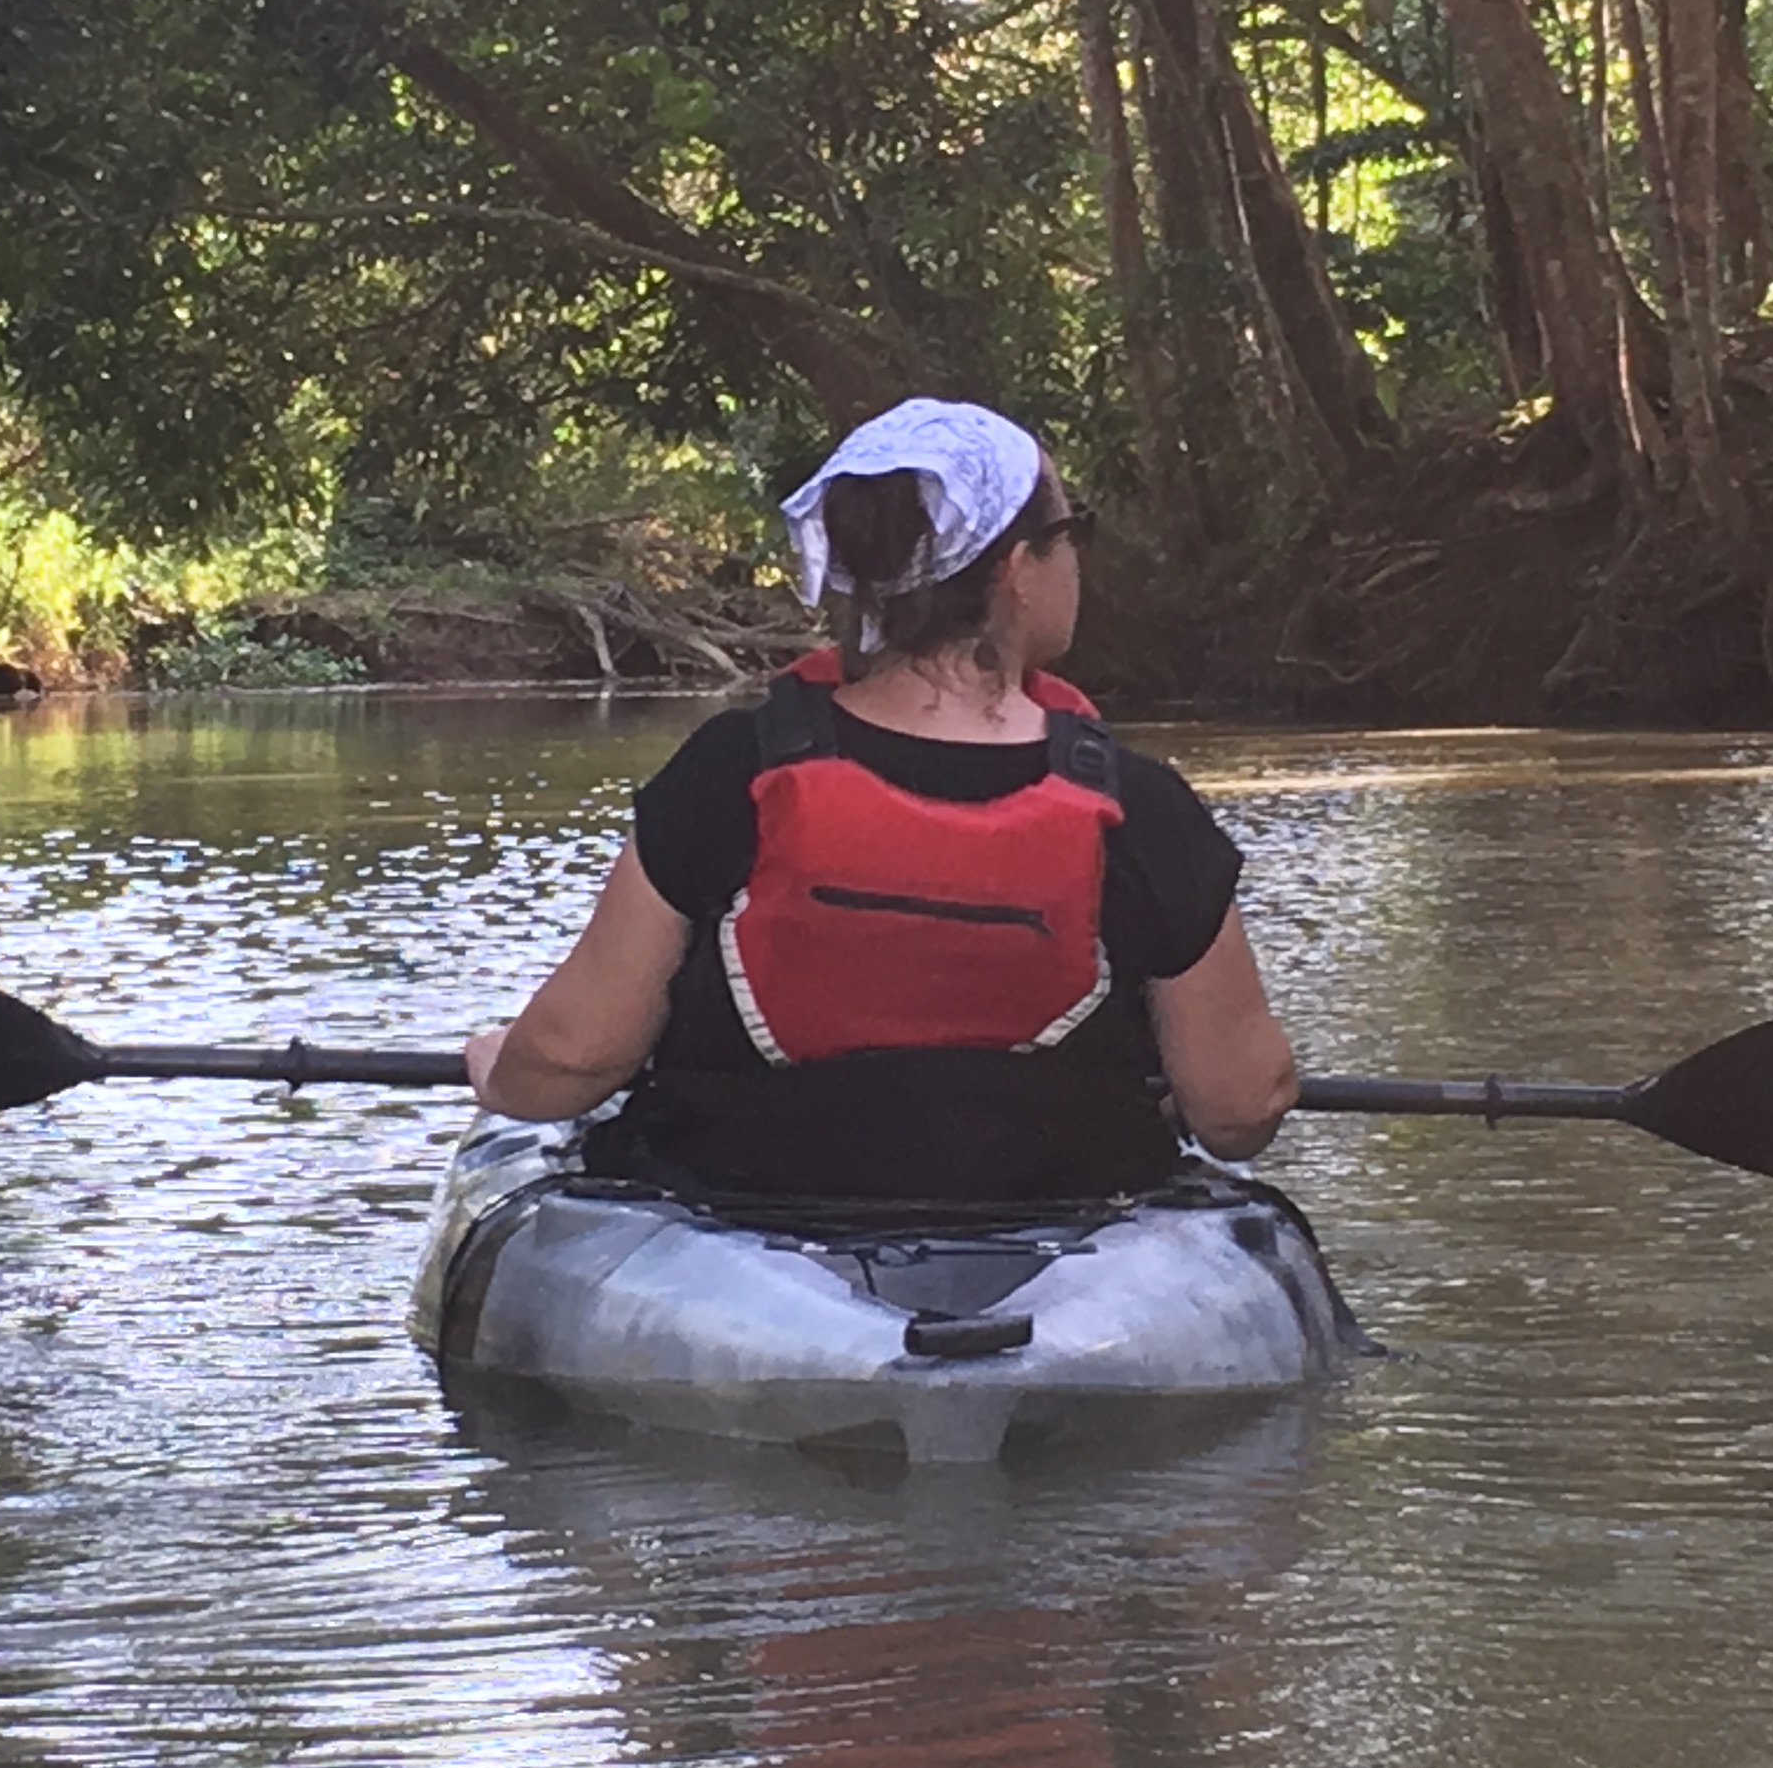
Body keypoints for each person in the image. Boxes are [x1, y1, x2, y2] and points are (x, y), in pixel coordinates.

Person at [462, 397, 1299, 1200]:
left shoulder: (731, 772)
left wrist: (499, 1067)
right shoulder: (1139, 806)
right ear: (1014, 570)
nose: (1077, 558)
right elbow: (1239, 1107)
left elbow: (574, 1056)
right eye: (1068, 534)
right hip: (1064, 1233)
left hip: (742, 1222)